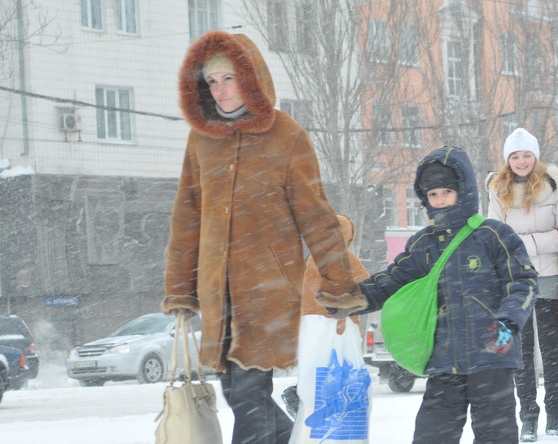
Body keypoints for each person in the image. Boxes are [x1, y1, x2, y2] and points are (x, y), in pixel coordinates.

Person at [162, 30, 358, 444]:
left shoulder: (286, 136)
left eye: (228, 79)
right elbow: (187, 218)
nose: (220, 90)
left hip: (267, 290)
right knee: (236, 393)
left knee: (251, 395)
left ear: (250, 79)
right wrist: (180, 289)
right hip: (219, 293)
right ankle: (285, 437)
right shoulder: (202, 141)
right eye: (212, 82)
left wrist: (339, 284)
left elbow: (316, 216)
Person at [316, 146, 538, 444]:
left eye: (446, 191)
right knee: (432, 435)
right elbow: (393, 280)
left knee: (495, 435)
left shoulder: (493, 234)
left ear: (464, 190)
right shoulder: (424, 243)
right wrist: (353, 299)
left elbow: (523, 281)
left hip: (492, 355)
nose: (440, 200)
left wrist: (509, 321)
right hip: (444, 359)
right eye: (432, 194)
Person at [486, 128, 558, 441]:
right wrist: (530, 245)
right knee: (520, 354)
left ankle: (555, 413)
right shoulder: (497, 191)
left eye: (526, 155)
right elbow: (495, 240)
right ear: (507, 160)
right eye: (515, 156)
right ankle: (528, 417)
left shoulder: (553, 187)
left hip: (550, 279)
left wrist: (525, 243)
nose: (521, 161)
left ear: (535, 157)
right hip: (516, 283)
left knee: (551, 351)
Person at [281, 214, 370, 420]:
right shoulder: (347, 258)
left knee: (315, 369)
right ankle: (328, 408)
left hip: (309, 321)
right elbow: (367, 286)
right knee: (340, 369)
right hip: (338, 321)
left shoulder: (312, 258)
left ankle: (305, 400)